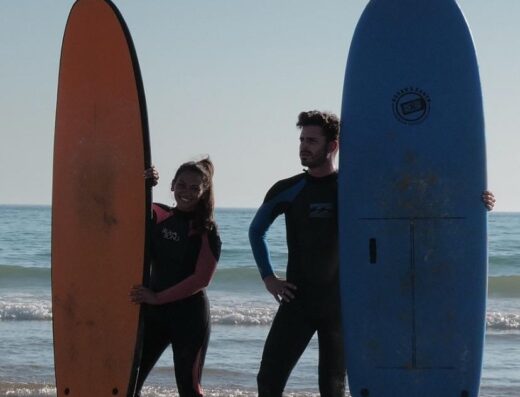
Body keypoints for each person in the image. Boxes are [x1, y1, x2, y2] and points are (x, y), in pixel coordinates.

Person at [249, 110, 496, 397]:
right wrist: (268, 277)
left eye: (312, 140)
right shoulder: (288, 189)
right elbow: (256, 231)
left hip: (341, 306)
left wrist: (477, 201)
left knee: (333, 388)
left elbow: (419, 202)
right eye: (302, 139)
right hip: (298, 302)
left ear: (333, 146)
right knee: (268, 380)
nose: (304, 146)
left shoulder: (355, 188)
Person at [130, 158, 221, 397]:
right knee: (129, 382)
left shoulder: (206, 230)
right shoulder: (158, 215)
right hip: (153, 316)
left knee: (189, 389)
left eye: (194, 188)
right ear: (171, 186)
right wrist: (144, 182)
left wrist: (157, 297)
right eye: (181, 185)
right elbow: (125, 206)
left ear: (203, 192)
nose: (186, 192)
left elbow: (201, 280)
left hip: (189, 318)